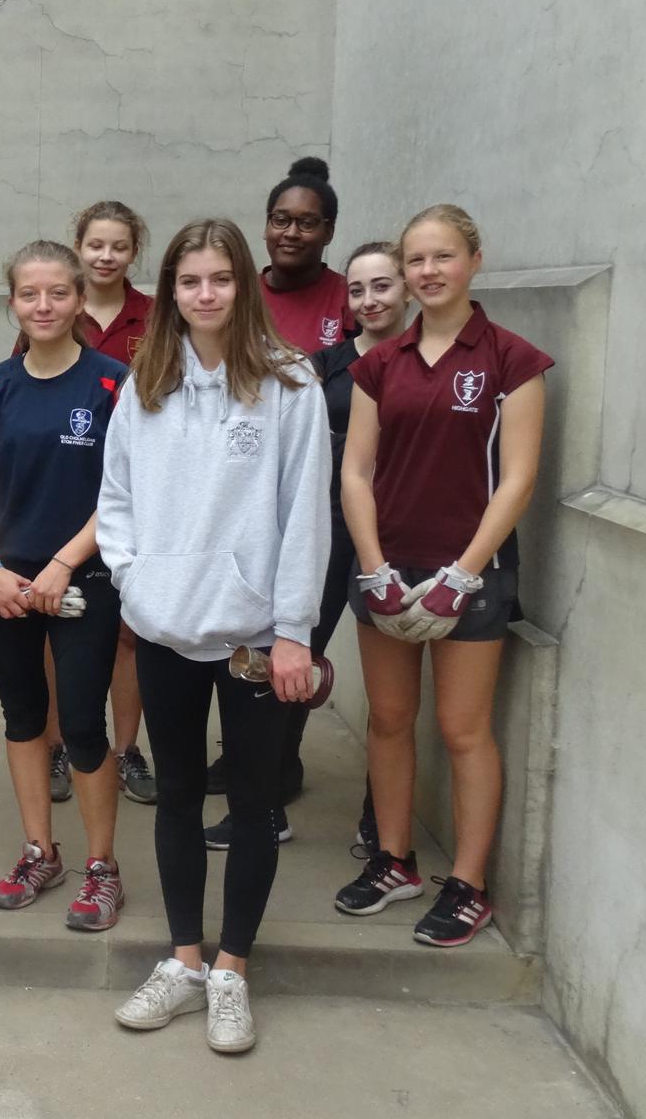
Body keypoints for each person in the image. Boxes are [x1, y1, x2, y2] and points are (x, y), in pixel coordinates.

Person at [103, 217, 329, 1053]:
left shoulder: (288, 384)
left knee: (255, 802)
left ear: (244, 286)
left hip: (256, 637)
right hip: (165, 628)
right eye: (189, 281)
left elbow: (305, 514)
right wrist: (135, 581)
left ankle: (232, 969)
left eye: (220, 279)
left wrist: (294, 631)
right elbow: (116, 498)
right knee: (176, 797)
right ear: (171, 291)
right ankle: (185, 962)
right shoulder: (146, 382)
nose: (204, 295)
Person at [333, 206, 551, 948]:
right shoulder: (378, 365)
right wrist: (373, 567)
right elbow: (355, 471)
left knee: (462, 731)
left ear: (475, 261)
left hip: (473, 575)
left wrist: (464, 573)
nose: (428, 272)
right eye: (417, 259)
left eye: (443, 257)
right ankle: (394, 861)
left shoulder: (512, 359)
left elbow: (518, 480)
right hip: (389, 569)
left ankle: (469, 884)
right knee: (390, 721)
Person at [203, 241, 412, 851]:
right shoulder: (320, 366)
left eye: (383, 286)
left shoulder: (422, 361)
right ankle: (268, 801)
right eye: (358, 289)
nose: (370, 299)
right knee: (290, 657)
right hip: (325, 520)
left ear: (406, 291)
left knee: (391, 689)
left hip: (392, 528)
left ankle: (382, 819)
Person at [0, 240, 127, 929]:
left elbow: (125, 493)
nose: (43, 306)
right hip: (4, 587)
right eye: (29, 295)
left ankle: (102, 866)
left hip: (88, 582)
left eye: (58, 293)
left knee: (81, 724)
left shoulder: (114, 385)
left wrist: (64, 564)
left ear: (81, 298)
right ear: (13, 301)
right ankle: (40, 851)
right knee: (24, 720)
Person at [51, 202, 157, 808]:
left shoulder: (156, 317)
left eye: (118, 246)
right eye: (95, 244)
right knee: (53, 623)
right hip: (65, 490)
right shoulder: (56, 303)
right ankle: (61, 743)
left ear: (133, 252)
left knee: (127, 633)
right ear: (79, 246)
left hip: (137, 495)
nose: (106, 256)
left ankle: (127, 749)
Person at [259, 157, 350, 352]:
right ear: (266, 227)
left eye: (307, 223)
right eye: (280, 220)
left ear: (328, 232)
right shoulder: (241, 295)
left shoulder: (349, 297)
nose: (291, 233)